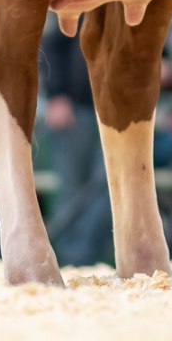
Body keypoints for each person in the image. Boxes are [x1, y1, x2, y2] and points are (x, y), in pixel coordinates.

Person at [39, 16, 112, 266]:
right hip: (76, 109)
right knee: (73, 188)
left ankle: (86, 257)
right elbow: (53, 44)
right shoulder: (83, 6)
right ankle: (75, 258)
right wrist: (56, 94)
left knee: (106, 188)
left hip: (114, 110)